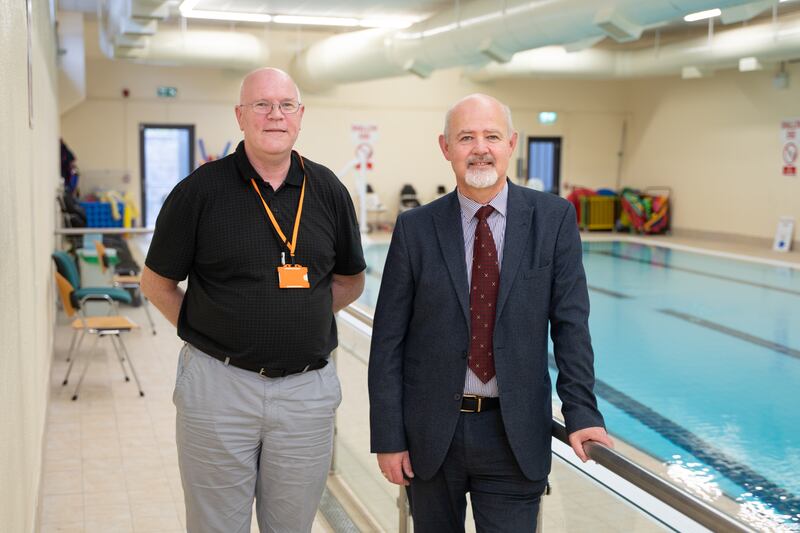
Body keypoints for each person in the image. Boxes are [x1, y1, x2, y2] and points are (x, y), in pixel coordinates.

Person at [368, 93, 611, 532]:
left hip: (514, 434)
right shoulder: (415, 228)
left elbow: (571, 327)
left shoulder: (553, 219)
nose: (480, 148)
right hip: (430, 436)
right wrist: (388, 437)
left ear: (511, 143)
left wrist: (582, 413)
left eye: (492, 136)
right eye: (466, 138)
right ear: (445, 147)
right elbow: (388, 341)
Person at [141, 67, 366, 533]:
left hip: (306, 394)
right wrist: (211, 329)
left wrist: (299, 317)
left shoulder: (329, 191)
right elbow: (156, 283)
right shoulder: (199, 192)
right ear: (240, 116)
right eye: (261, 105)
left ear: (300, 115)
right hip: (218, 389)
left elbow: (351, 280)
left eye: (286, 105)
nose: (275, 115)